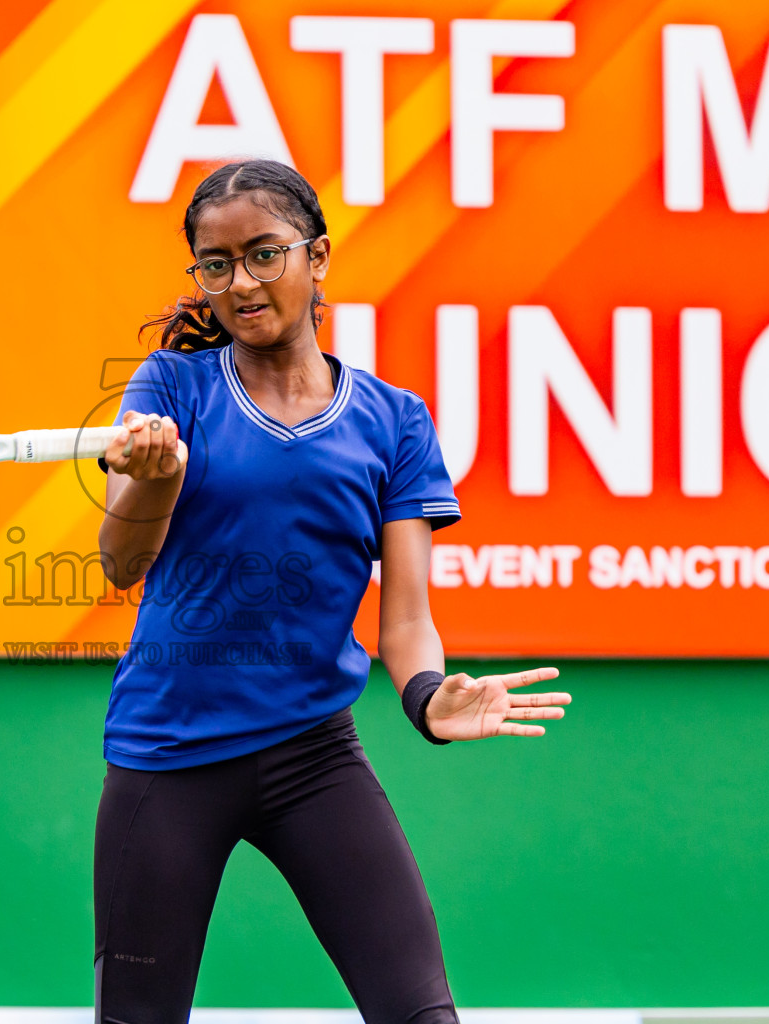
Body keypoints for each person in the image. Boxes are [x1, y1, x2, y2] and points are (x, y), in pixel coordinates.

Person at [93, 159, 571, 1023]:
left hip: (314, 760)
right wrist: (156, 479)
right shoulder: (171, 389)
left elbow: (409, 620)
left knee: (423, 1015)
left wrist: (428, 695)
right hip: (166, 758)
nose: (240, 282)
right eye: (216, 263)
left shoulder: (395, 420)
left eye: (264, 254)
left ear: (317, 258)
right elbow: (122, 566)